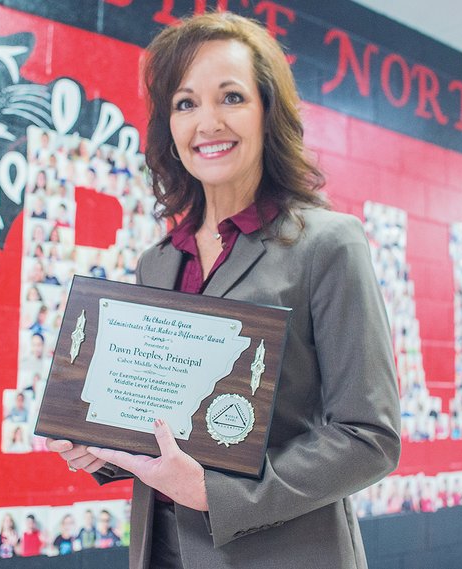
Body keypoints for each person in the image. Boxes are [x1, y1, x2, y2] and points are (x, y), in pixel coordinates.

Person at [47, 11, 400, 569]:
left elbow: (368, 437)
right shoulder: (158, 262)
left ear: (267, 112)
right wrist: (102, 449)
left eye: (231, 97)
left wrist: (220, 494)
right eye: (186, 103)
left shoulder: (328, 244)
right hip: (161, 551)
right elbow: (164, 424)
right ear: (170, 125)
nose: (207, 121)